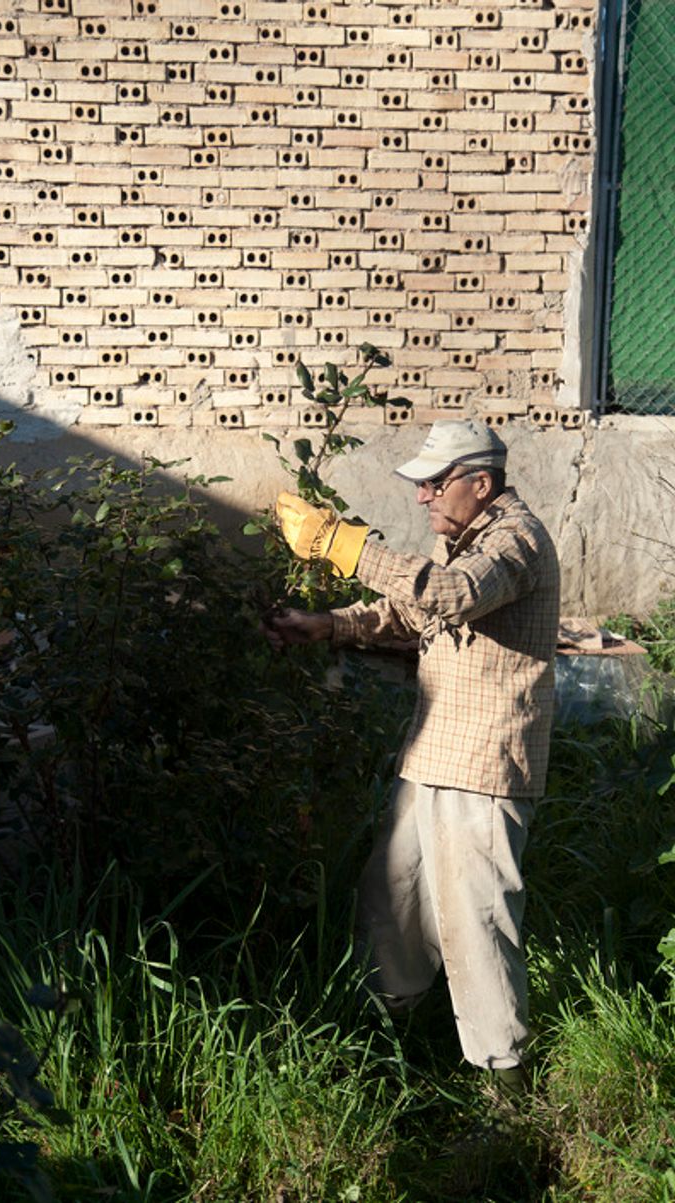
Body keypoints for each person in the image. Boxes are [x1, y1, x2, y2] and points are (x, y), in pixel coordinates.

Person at [264, 417, 560, 1087]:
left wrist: (342, 546)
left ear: (480, 484)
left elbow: (449, 598)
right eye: (422, 485)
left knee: (476, 925)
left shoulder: (516, 542)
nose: (423, 496)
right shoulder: (466, 538)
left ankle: (505, 1090)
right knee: (390, 902)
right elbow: (412, 610)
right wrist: (331, 624)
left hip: (484, 766)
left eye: (435, 483)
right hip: (433, 755)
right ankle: (386, 1051)